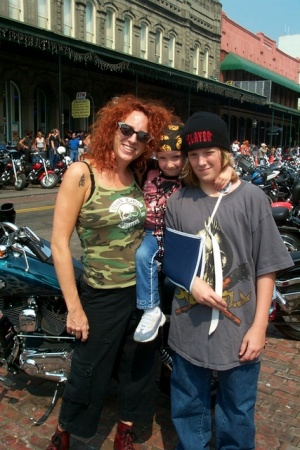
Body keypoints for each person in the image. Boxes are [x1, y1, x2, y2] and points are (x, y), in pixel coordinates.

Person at [46, 94, 174, 450]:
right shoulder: (81, 173)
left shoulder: (136, 173)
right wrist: (74, 307)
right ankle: (66, 433)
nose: (133, 138)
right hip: (101, 292)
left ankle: (125, 431)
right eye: (126, 129)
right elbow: (59, 243)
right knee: (88, 369)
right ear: (112, 127)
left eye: (142, 135)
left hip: (143, 292)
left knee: (139, 367)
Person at [163, 112, 293, 450]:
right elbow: (174, 262)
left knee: (237, 410)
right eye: (193, 154)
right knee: (189, 406)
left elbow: (266, 267)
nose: (202, 161)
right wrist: (191, 283)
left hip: (240, 329)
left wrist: (259, 327)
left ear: (224, 152)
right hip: (188, 326)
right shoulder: (179, 202)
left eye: (209, 152)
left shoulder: (251, 198)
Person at [134, 123, 233, 343]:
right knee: (142, 256)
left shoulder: (190, 177)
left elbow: (215, 170)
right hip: (152, 233)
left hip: (178, 235)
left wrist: (228, 170)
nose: (169, 164)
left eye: (176, 157)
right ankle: (150, 310)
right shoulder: (148, 172)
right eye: (162, 158)